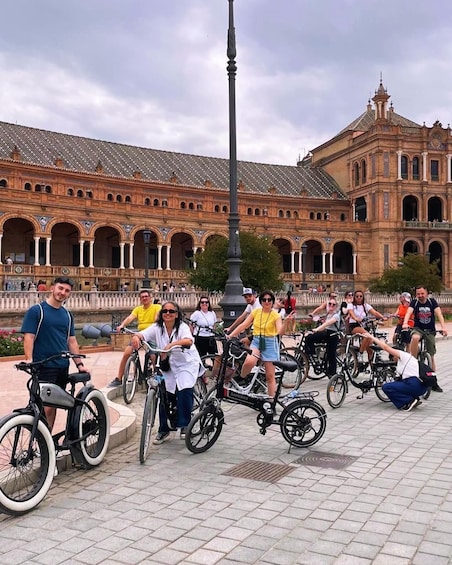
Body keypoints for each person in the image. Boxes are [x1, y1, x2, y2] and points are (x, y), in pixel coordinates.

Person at [130, 301, 203, 442]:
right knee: (164, 393)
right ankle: (164, 429)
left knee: (184, 389)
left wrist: (172, 344)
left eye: (171, 311)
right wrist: (136, 337)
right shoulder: (157, 327)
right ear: (161, 314)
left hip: (186, 362)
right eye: (165, 311)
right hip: (168, 363)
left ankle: (184, 425)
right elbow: (143, 334)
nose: (168, 314)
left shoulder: (182, 327)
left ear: (176, 314)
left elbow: (189, 341)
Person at [21, 276, 87, 430]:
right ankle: (41, 442)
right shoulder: (37, 311)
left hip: (62, 366)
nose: (62, 292)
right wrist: (29, 359)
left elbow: (71, 341)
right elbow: (29, 337)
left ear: (69, 294)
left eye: (67, 291)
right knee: (44, 407)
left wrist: (80, 364)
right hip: (43, 366)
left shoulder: (67, 315)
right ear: (52, 289)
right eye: (60, 288)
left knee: (53, 405)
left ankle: (47, 441)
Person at [228, 290, 295, 398]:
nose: (267, 302)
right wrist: (231, 335)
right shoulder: (256, 312)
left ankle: (271, 401)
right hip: (257, 340)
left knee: (270, 376)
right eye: (264, 300)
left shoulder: (275, 315)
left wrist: (286, 322)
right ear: (261, 301)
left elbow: (280, 332)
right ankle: (243, 378)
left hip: (270, 343)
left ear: (272, 302)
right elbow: (244, 325)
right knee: (249, 361)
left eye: (269, 300)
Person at [108, 289, 161, 387]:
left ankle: (157, 375)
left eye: (146, 296)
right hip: (140, 334)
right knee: (127, 353)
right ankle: (119, 378)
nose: (144, 298)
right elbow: (130, 318)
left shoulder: (157, 307)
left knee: (153, 355)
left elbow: (157, 317)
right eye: (142, 297)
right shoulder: (138, 309)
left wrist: (156, 322)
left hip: (152, 334)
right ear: (140, 299)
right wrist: (122, 325)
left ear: (150, 298)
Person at [363, 332, 428, 411]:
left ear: (395, 354)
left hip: (414, 384)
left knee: (386, 387)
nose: (393, 360)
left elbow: (386, 347)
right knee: (398, 384)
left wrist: (371, 337)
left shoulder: (403, 355)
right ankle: (414, 399)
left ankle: (408, 401)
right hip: (422, 387)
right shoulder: (407, 360)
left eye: (392, 358)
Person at [403, 285, 447, 386]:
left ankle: (433, 382)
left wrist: (443, 327)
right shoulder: (415, 302)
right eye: (418, 294)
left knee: (431, 356)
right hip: (418, 329)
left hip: (430, 330)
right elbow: (408, 312)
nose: (420, 296)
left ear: (427, 293)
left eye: (422, 293)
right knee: (415, 337)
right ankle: (413, 359)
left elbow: (439, 314)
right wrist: (405, 322)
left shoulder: (432, 302)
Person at [304, 297, 342, 376]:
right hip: (326, 333)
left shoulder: (336, 315)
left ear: (336, 306)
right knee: (308, 338)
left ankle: (333, 375)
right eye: (330, 304)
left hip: (333, 335)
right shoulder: (328, 314)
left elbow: (327, 324)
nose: (331, 305)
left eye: (333, 304)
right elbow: (324, 325)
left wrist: (317, 329)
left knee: (331, 355)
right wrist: (312, 331)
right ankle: (313, 355)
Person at [347, 290, 385, 362]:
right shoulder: (351, 305)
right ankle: (360, 354)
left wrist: (383, 317)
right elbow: (351, 313)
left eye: (360, 296)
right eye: (357, 296)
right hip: (355, 325)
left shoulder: (365, 305)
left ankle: (372, 367)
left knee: (370, 348)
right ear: (354, 297)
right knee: (367, 336)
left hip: (364, 326)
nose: (359, 298)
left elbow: (374, 312)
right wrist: (356, 318)